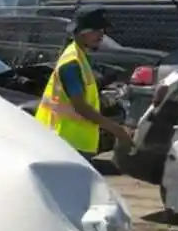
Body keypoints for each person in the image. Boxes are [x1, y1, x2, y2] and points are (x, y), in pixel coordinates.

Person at [35, 8, 132, 155]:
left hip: (69, 143)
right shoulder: (72, 63)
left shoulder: (79, 57)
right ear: (82, 32)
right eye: (96, 30)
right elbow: (81, 107)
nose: (101, 35)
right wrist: (116, 130)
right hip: (64, 144)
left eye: (103, 30)